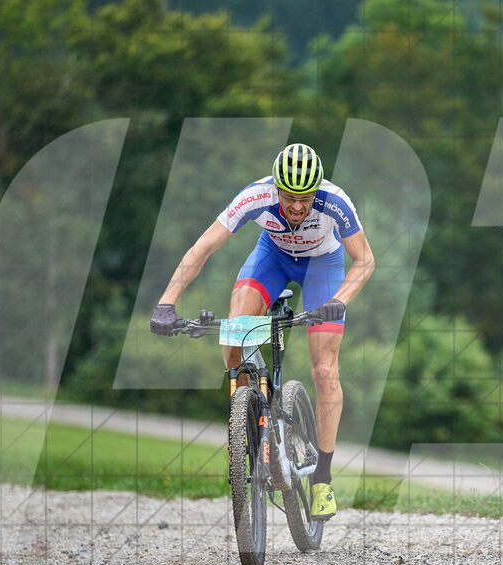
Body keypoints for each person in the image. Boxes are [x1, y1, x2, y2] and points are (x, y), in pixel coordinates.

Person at [149, 143, 375, 520]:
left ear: (316, 190)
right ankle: (247, 419)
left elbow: (364, 261)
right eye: (289, 197)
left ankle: (322, 478)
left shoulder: (335, 203)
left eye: (305, 198)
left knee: (324, 370)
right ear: (275, 189)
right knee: (236, 326)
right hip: (273, 256)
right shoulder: (255, 196)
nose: (298, 207)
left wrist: (341, 299)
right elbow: (203, 247)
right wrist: (166, 302)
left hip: (324, 265)